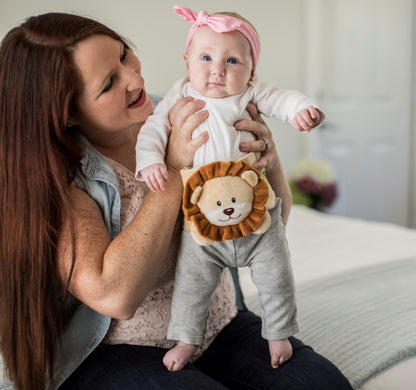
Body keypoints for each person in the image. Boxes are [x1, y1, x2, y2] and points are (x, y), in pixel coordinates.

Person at [0, 11, 353, 390]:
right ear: (67, 111)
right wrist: (172, 169)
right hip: (120, 350)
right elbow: (116, 297)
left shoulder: (179, 109)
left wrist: (268, 158)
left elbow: (274, 222)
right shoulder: (59, 179)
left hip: (218, 320)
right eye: (109, 84)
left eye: (123, 55)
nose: (136, 79)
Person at [134, 6, 325, 371]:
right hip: (202, 221)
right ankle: (187, 339)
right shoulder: (180, 97)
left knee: (276, 274)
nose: (218, 69)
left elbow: (282, 99)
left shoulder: (250, 94)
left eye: (233, 60)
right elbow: (154, 130)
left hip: (258, 216)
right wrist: (151, 162)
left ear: (252, 70)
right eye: (205, 57)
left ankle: (278, 332)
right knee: (192, 284)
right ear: (187, 60)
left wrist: (303, 110)